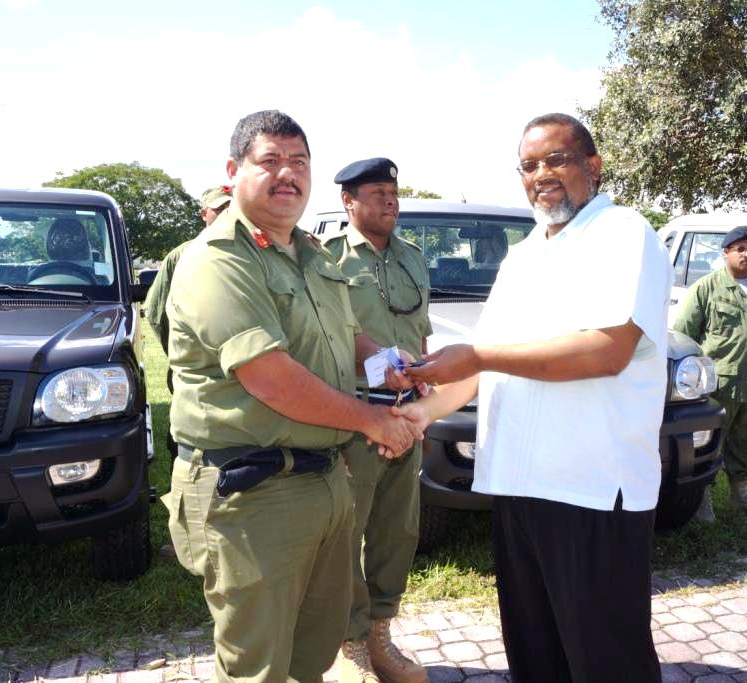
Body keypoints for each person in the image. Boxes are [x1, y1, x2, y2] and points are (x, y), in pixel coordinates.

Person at [399, 113, 670, 683]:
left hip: (591, 491)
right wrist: (419, 414)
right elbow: (484, 361)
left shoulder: (622, 233)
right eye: (528, 165)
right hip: (519, 487)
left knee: (605, 662)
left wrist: (477, 357)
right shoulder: (522, 255)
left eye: (556, 160)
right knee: (535, 655)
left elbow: (607, 350)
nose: (541, 174)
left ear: (593, 166)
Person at [161, 110, 421, 683]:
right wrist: (372, 420)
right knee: (258, 666)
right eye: (270, 161)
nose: (288, 174)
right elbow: (269, 376)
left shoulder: (312, 253)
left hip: (322, 477)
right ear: (233, 171)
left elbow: (343, 336)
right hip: (252, 491)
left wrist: (387, 365)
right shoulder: (217, 259)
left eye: (299, 162)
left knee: (311, 656)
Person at [324, 158, 432, 683]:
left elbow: (422, 333)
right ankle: (350, 644)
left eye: (393, 191)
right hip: (357, 411)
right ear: (349, 201)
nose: (390, 200)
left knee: (397, 530)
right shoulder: (328, 258)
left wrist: (428, 392)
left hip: (407, 411)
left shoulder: (413, 256)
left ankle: (380, 633)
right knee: (348, 531)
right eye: (376, 192)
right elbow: (328, 332)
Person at [673, 226, 747, 522]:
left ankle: (739, 495)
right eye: (740, 249)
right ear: (726, 253)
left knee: (746, 442)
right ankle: (701, 498)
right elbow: (684, 337)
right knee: (708, 444)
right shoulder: (706, 288)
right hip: (719, 385)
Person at [144, 185, 232, 467]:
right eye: (219, 209)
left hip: (238, 361)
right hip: (196, 362)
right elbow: (157, 311)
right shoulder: (182, 255)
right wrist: (180, 352)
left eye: (231, 207)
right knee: (189, 423)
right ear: (204, 214)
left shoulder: (252, 251)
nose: (226, 213)